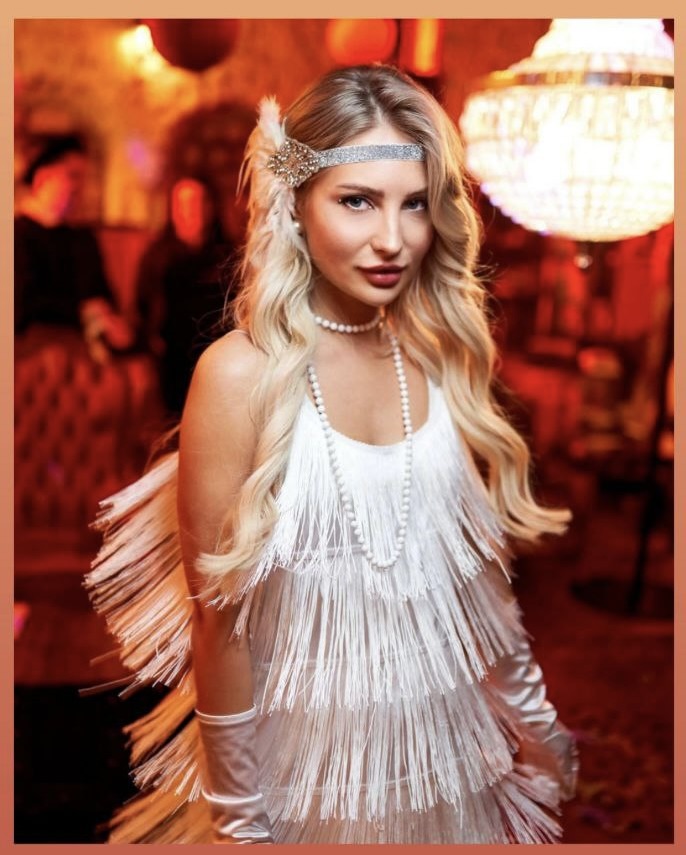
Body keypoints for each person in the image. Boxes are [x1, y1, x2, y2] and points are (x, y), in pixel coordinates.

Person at [86, 64, 578, 844]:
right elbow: (220, 625)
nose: (393, 239)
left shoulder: (438, 358)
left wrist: (535, 717)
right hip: (293, 766)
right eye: (357, 201)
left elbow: (475, 578)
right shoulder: (238, 375)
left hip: (431, 751)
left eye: (414, 204)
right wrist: (244, 823)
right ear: (296, 201)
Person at [14, 133, 133, 361]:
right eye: (72, 176)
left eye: (83, 179)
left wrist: (113, 321)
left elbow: (103, 295)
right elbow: (22, 306)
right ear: (42, 178)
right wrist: (82, 312)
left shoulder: (83, 238)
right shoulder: (17, 235)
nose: (79, 188)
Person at [135, 175, 234, 416]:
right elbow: (141, 310)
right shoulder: (157, 257)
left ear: (211, 207)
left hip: (217, 355)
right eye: (184, 204)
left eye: (198, 202)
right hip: (169, 358)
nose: (192, 211)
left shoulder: (228, 257)